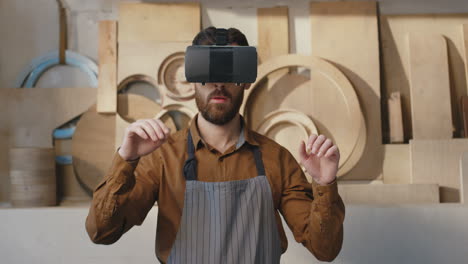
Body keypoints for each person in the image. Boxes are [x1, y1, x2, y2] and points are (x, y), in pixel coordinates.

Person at [85, 26, 345, 263]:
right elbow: (101, 232)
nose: (219, 84)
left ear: (245, 79)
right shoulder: (161, 157)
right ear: (193, 78)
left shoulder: (277, 159)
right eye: (209, 72)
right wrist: (126, 159)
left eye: (230, 71)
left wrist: (324, 184)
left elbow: (325, 249)